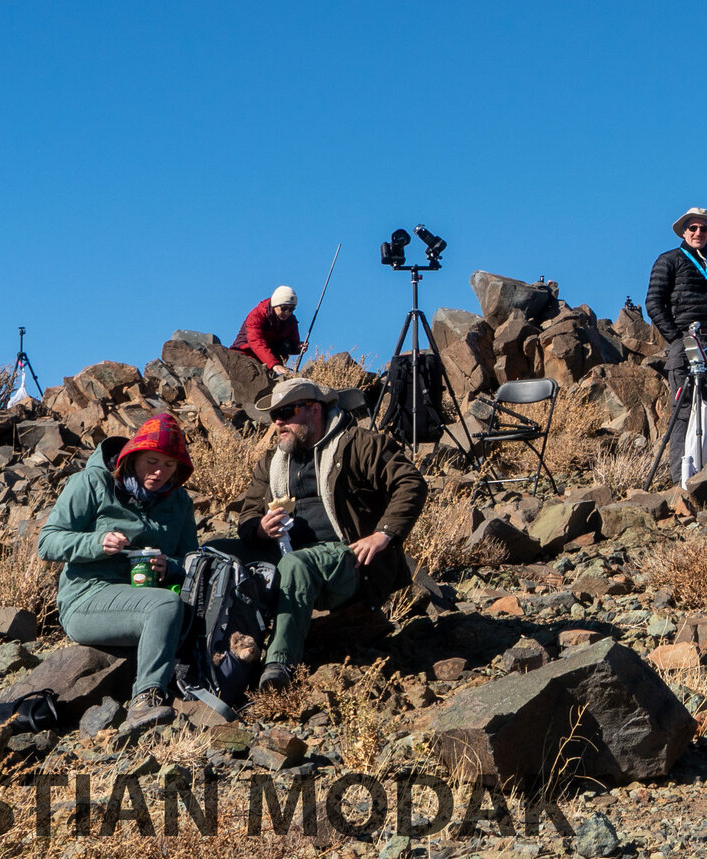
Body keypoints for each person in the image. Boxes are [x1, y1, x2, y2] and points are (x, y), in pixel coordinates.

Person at [224, 377, 426, 690]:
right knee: (219, 553)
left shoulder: (359, 444)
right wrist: (260, 530)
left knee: (297, 565)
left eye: (287, 411)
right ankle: (219, 656)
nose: (278, 421)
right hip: (285, 552)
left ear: (314, 410)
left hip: (348, 560)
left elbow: (410, 482)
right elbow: (249, 515)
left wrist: (384, 534)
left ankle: (279, 665)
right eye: (274, 415)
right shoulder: (272, 463)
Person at [35, 414, 199, 732]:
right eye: (152, 462)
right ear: (132, 456)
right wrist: (97, 542)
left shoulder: (179, 502)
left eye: (169, 466)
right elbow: (48, 542)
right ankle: (146, 699)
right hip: (88, 597)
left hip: (143, 595)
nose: (159, 473)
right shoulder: (92, 483)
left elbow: (192, 559)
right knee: (165, 605)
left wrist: (172, 566)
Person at [644, 207, 707, 463]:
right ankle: (681, 475)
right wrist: (676, 338)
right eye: (693, 227)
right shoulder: (668, 260)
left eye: (704, 228)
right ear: (684, 231)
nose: (698, 232)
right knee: (684, 408)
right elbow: (653, 303)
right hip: (685, 340)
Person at [233, 286, 303, 371]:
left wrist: (299, 347)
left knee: (285, 345)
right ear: (275, 304)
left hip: (267, 360)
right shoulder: (256, 316)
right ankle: (274, 369)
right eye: (284, 308)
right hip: (245, 354)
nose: (287, 312)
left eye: (291, 309)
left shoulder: (291, 321)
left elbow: (293, 344)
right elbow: (256, 342)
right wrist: (273, 364)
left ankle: (274, 372)